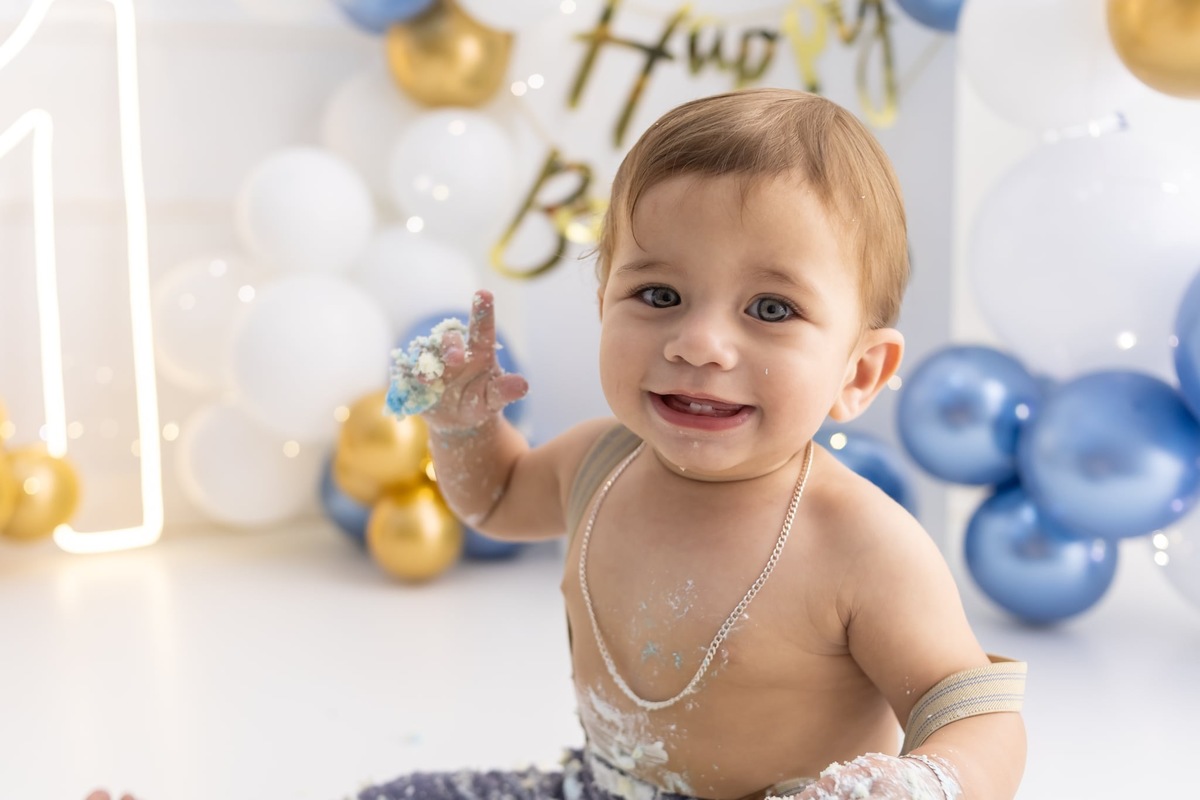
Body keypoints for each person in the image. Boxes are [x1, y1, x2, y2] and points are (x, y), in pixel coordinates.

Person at [397, 86, 1030, 800]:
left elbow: (975, 713)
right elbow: (496, 499)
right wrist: (463, 427)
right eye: (659, 295)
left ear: (859, 373)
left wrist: (925, 783)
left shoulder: (862, 545)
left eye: (771, 308)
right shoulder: (597, 463)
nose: (698, 343)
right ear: (604, 306)